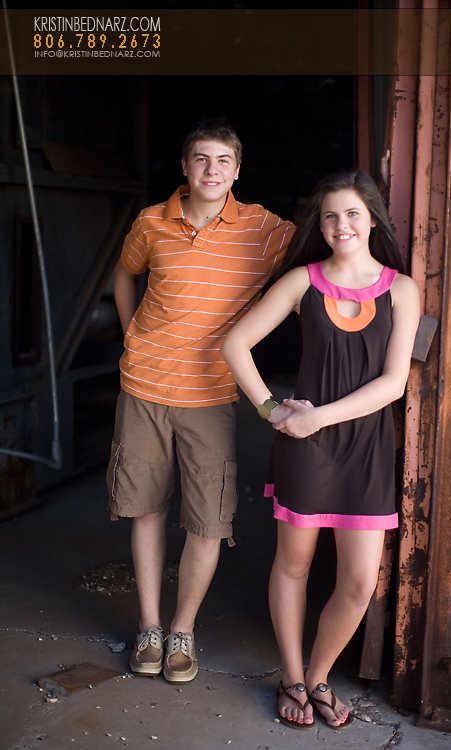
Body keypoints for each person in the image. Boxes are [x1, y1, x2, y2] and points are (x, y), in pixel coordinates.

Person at [222, 168, 420, 730]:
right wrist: (271, 410)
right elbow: (235, 343)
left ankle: (319, 676)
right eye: (330, 215)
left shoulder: (401, 290)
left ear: (373, 219)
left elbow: (394, 384)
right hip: (304, 449)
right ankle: (292, 678)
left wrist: (318, 418)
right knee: (295, 564)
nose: (341, 225)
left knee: (358, 583)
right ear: (321, 224)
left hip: (366, 448)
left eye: (352, 213)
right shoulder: (302, 282)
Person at [106, 117, 295, 683]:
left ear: (237, 171)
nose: (212, 170)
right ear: (185, 167)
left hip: (211, 394)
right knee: (146, 509)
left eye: (223, 161)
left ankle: (182, 629)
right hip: (143, 387)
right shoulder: (151, 222)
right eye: (201, 159)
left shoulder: (263, 229)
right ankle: (149, 626)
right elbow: (124, 275)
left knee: (208, 522)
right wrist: (130, 335)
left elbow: (322, 252)